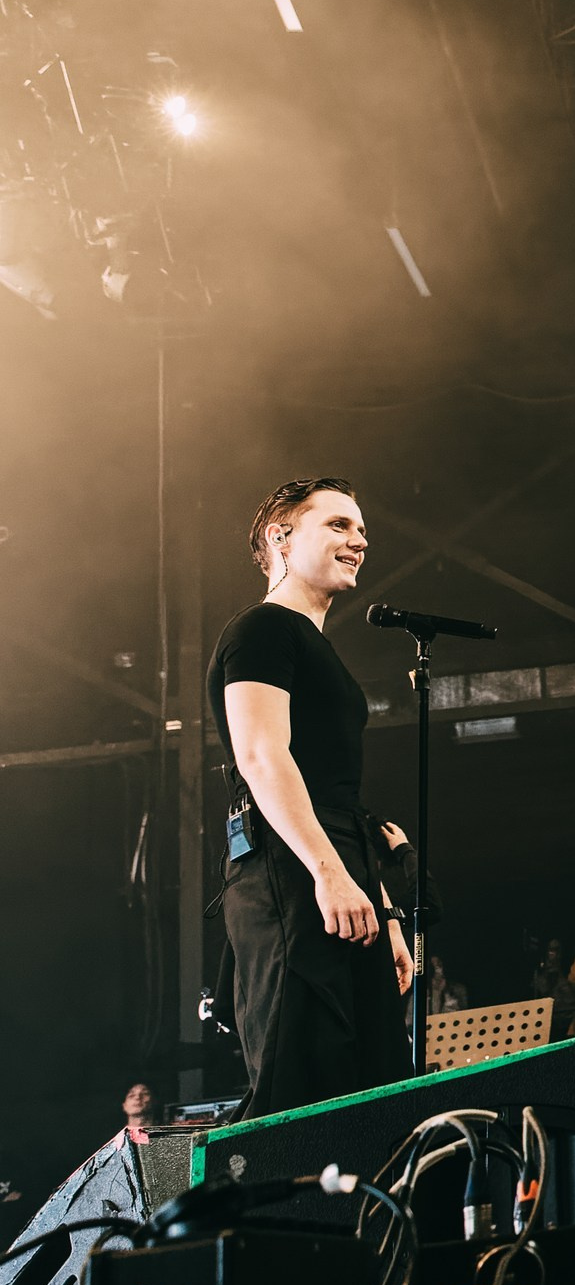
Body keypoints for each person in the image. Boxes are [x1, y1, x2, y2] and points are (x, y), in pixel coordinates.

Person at [209, 478, 413, 1120]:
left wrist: (385, 910)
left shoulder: (312, 644)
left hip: (338, 864)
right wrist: (328, 873)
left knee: (369, 1086)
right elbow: (261, 756)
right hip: (292, 870)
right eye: (338, 525)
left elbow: (335, 792)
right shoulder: (262, 629)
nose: (359, 540)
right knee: (302, 1078)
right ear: (281, 537)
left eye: (362, 529)